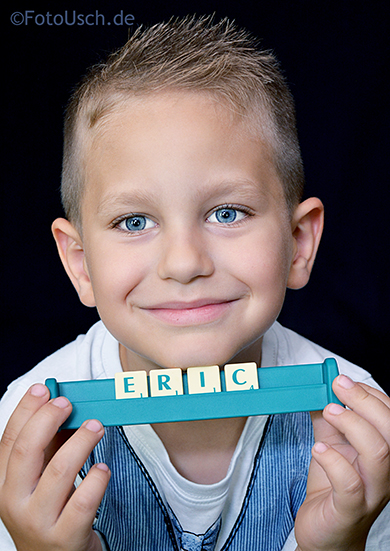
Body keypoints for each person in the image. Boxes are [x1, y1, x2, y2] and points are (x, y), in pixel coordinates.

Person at [0, 15, 389, 551]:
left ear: (299, 242)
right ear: (81, 264)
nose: (184, 264)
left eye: (227, 213)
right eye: (134, 222)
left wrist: (337, 544)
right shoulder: (22, 436)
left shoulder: (359, 426)